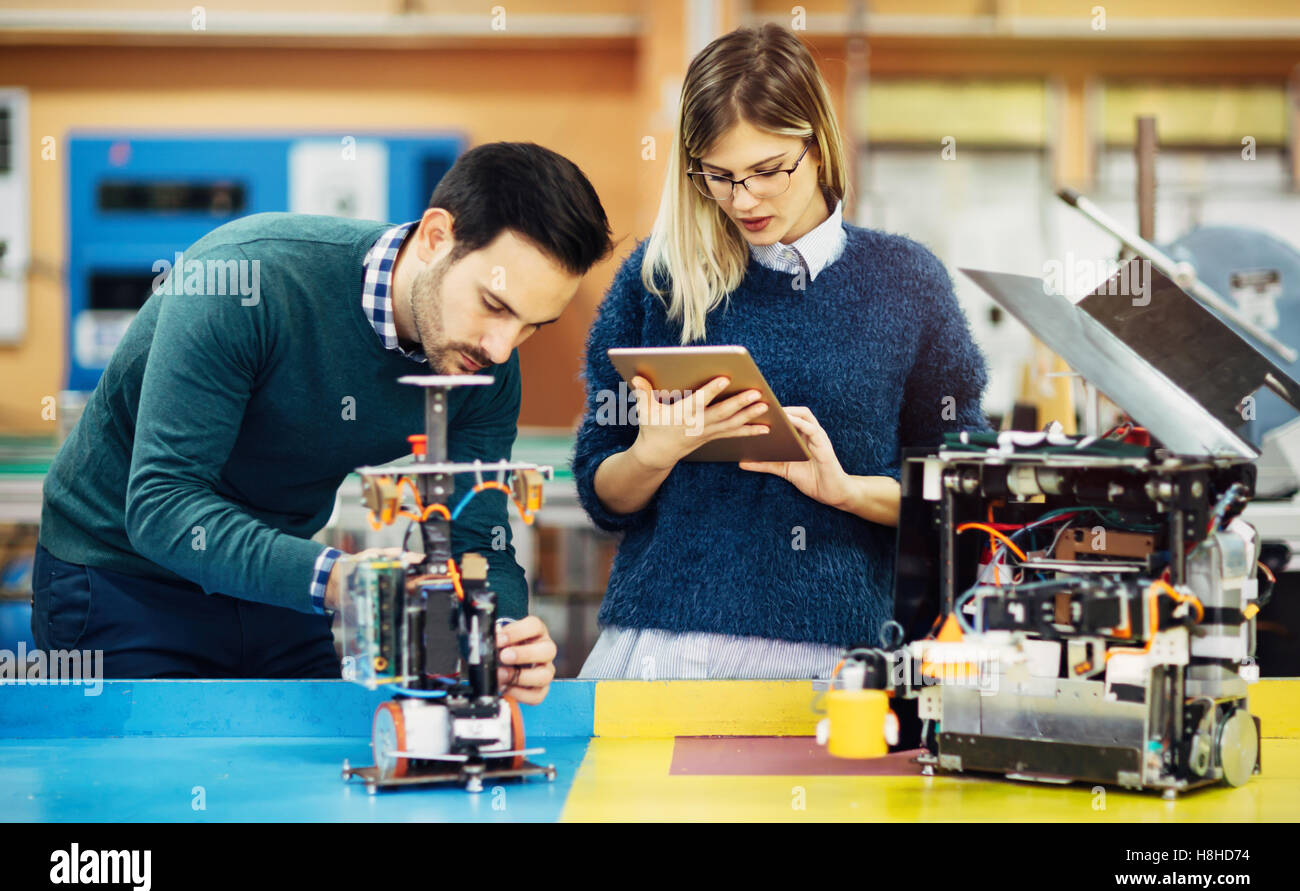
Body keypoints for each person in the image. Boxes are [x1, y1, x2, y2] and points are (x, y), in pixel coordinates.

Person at [34, 141, 613, 699]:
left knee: (318, 777)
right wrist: (342, 580)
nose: (502, 347)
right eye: (496, 304)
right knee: (144, 787)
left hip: (274, 581)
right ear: (438, 236)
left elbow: (473, 534)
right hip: (120, 578)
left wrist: (500, 639)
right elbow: (163, 505)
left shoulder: (481, 364)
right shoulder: (246, 280)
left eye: (534, 325)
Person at [572, 24, 989, 679]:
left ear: (818, 145)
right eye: (720, 176)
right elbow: (602, 490)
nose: (744, 200)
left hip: (828, 659)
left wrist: (846, 490)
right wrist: (652, 455)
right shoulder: (657, 278)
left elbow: (963, 491)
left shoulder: (904, 281)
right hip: (656, 645)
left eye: (768, 170)